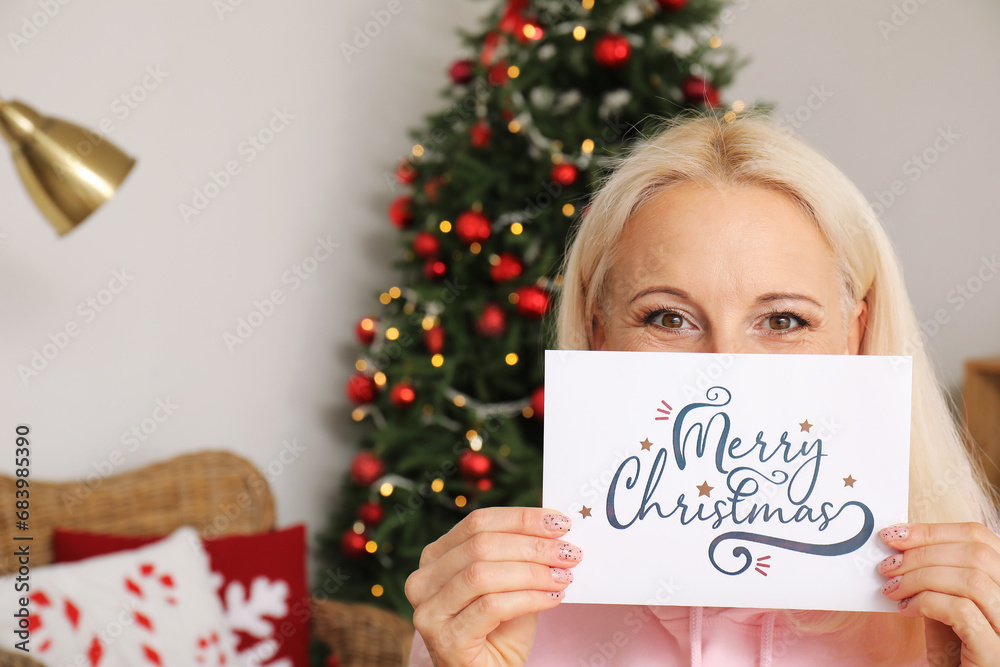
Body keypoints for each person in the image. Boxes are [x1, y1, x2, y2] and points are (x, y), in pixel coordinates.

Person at [404, 112, 1000, 666]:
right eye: (668, 317)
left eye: (783, 320)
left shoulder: (965, 619)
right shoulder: (491, 615)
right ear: (599, 331)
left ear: (854, 334)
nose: (723, 370)